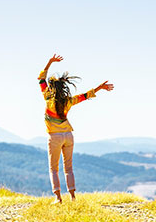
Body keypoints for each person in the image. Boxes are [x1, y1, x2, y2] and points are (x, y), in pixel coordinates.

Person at [39, 54, 113, 203]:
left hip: (54, 137)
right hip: (68, 136)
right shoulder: (68, 101)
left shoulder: (48, 97)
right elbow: (85, 96)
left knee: (54, 168)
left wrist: (49, 63)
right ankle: (73, 197)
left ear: (52, 88)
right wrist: (100, 87)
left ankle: (58, 197)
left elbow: (41, 79)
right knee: (69, 168)